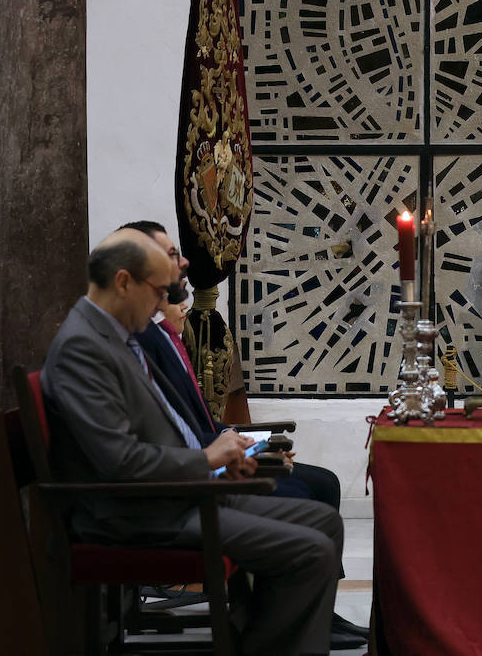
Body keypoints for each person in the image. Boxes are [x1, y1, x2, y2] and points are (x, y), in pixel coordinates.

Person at [41, 228, 343, 655]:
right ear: (124, 281)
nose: (169, 301)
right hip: (136, 512)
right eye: (160, 290)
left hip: (174, 494)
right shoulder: (83, 348)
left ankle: (266, 641)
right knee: (310, 550)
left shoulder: (117, 335)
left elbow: (160, 430)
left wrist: (220, 461)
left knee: (324, 524)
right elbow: (119, 463)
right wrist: (205, 460)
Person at [122, 220, 368, 647]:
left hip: (191, 480)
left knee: (322, 488)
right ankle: (271, 621)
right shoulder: (132, 345)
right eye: (170, 258)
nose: (183, 264)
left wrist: (249, 445)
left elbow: (190, 424)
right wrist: (219, 461)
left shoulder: (159, 339)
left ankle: (312, 613)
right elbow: (138, 454)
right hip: (174, 499)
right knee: (308, 511)